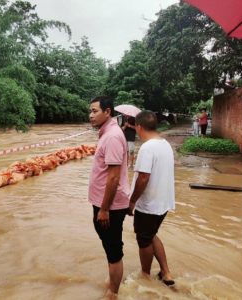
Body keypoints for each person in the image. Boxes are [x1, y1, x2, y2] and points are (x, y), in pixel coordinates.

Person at [88, 95, 130, 300]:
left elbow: (113, 177)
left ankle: (113, 294)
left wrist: (104, 209)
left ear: (108, 112)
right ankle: (113, 284)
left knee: (113, 250)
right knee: (110, 247)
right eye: (90, 111)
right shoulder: (108, 133)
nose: (90, 115)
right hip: (105, 203)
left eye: (95, 111)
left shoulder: (112, 136)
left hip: (110, 206)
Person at [127, 110, 175, 286]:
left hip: (149, 204)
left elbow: (143, 178)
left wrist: (132, 201)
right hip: (163, 202)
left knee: (144, 239)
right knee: (151, 234)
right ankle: (165, 272)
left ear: (139, 127)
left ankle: (145, 277)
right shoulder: (165, 144)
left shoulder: (147, 147)